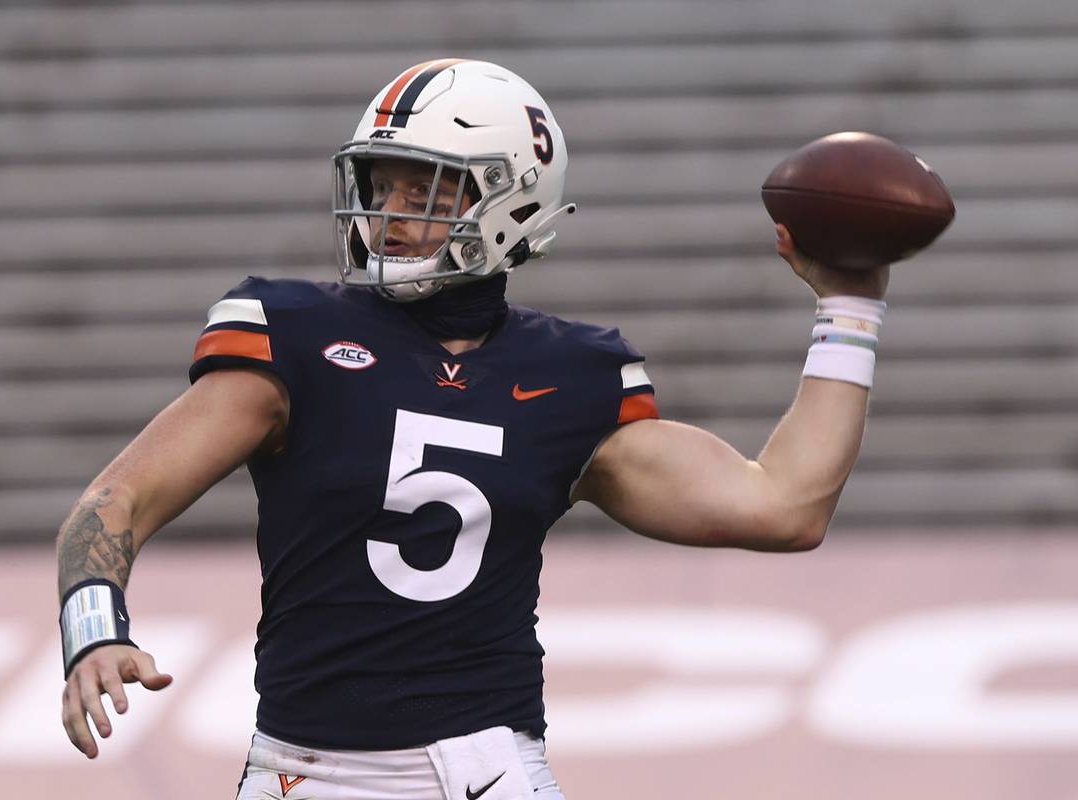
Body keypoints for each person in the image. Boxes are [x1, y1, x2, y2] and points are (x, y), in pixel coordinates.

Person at [57, 59, 889, 799]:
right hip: (305, 773)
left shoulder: (574, 375)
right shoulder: (294, 335)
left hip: (486, 770)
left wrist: (850, 302)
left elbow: (783, 506)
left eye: (428, 191)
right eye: (384, 186)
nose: (392, 213)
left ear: (512, 200)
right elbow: (116, 499)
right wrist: (94, 630)